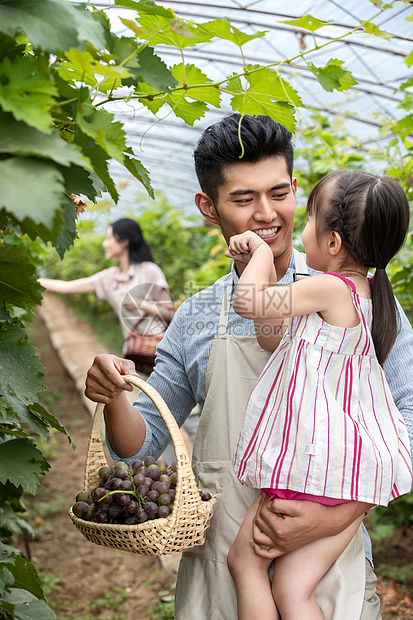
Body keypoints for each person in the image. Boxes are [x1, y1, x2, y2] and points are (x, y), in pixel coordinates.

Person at [84, 114, 413, 619]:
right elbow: (142, 447)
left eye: (279, 194)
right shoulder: (195, 319)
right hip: (222, 573)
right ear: (208, 208)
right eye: (243, 199)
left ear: (298, 192)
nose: (266, 214)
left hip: (330, 570)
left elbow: (407, 424)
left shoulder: (360, 304)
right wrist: (114, 397)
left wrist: (337, 514)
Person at [225, 170, 413, 620]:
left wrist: (256, 254)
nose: (303, 229)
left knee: (245, 564)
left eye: (310, 219)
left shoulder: (330, 287)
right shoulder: (368, 297)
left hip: (306, 471)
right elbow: (273, 335)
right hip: (341, 482)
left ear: (332, 243)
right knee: (293, 590)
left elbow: (251, 303)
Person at [40, 217, 175, 374]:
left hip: (163, 351)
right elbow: (67, 287)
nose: (104, 243)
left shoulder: (149, 271)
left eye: (109, 238)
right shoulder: (109, 278)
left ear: (124, 242)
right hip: (135, 352)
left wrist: (141, 304)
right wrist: (33, 280)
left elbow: (171, 314)